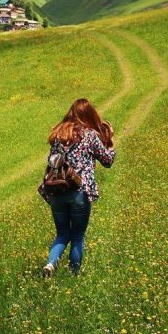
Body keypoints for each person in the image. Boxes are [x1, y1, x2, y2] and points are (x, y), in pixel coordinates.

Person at [39, 98, 115, 277]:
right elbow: (107, 161)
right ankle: (73, 275)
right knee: (77, 235)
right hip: (79, 191)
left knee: (62, 234)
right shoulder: (89, 135)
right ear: (89, 114)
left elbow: (53, 162)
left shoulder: (58, 135)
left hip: (57, 190)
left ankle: (50, 264)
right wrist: (110, 142)